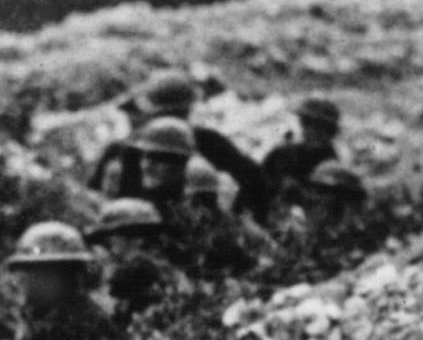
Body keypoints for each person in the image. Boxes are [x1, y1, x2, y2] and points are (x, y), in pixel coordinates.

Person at [90, 70, 272, 222]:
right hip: (194, 234)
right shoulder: (209, 140)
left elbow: (93, 199)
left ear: (147, 107)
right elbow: (255, 180)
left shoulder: (122, 147)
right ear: (189, 107)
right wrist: (242, 219)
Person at [0, 222, 119, 340]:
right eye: (32, 271)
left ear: (70, 276)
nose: (34, 281)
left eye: (47, 273)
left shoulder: (88, 322)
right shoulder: (33, 314)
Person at [86, 197, 173, 319]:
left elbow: (114, 296)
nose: (110, 242)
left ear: (136, 239)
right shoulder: (129, 264)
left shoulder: (141, 268)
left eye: (114, 236)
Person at [260, 95, 343, 212]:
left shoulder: (331, 165)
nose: (310, 130)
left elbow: (331, 203)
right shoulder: (281, 154)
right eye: (306, 123)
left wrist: (300, 193)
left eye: (318, 126)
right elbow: (258, 182)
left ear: (329, 131)